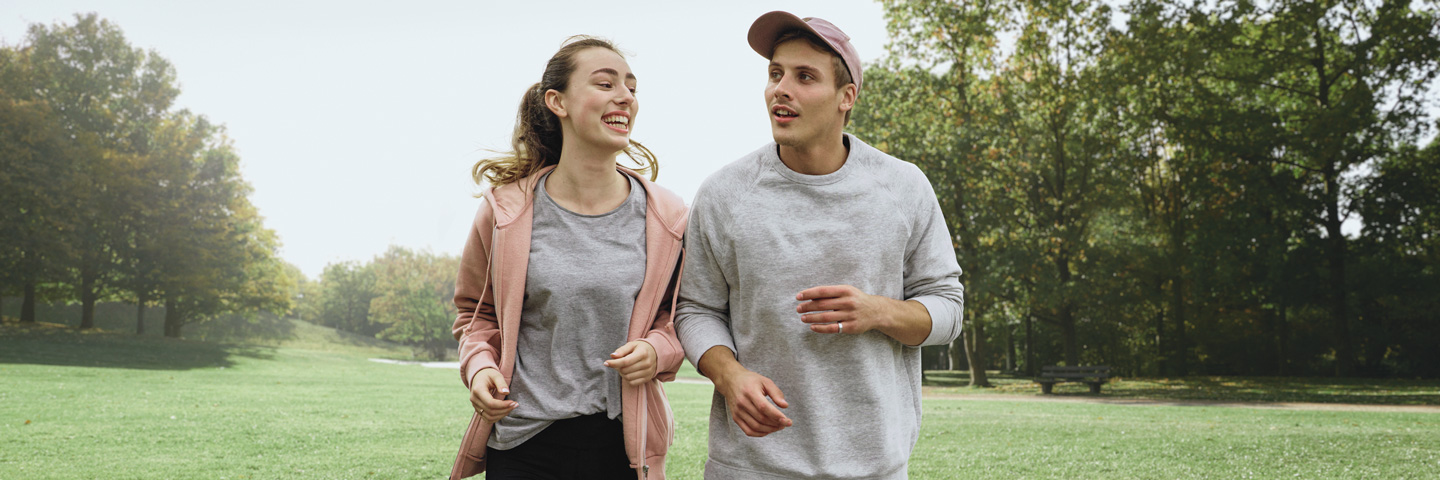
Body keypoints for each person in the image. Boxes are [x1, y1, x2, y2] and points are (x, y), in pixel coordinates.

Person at [674, 11, 965, 479]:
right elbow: (695, 309)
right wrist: (730, 377)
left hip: (874, 466)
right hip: (750, 466)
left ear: (845, 97)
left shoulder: (904, 187)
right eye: (775, 74)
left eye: (804, 76)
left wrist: (879, 312)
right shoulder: (724, 193)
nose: (780, 89)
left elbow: (948, 309)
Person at [448, 36, 689, 480]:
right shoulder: (505, 211)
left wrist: (660, 349)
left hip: (623, 446)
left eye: (632, 88)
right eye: (605, 83)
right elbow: (475, 314)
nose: (625, 97)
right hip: (522, 443)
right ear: (556, 101)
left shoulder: (669, 216)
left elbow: (682, 314)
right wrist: (480, 365)